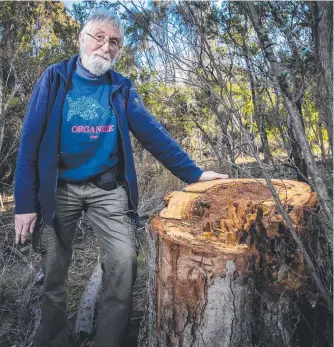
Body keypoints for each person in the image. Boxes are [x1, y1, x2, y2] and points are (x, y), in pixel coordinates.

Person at [14, 9, 228, 347]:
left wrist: (194, 173)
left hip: (106, 188)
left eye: (113, 42)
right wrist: (24, 204)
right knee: (53, 268)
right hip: (59, 190)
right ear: (80, 40)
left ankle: (109, 341)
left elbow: (153, 135)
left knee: (124, 261)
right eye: (98, 37)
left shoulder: (121, 87)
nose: (106, 46)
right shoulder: (54, 79)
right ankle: (53, 340)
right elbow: (29, 143)